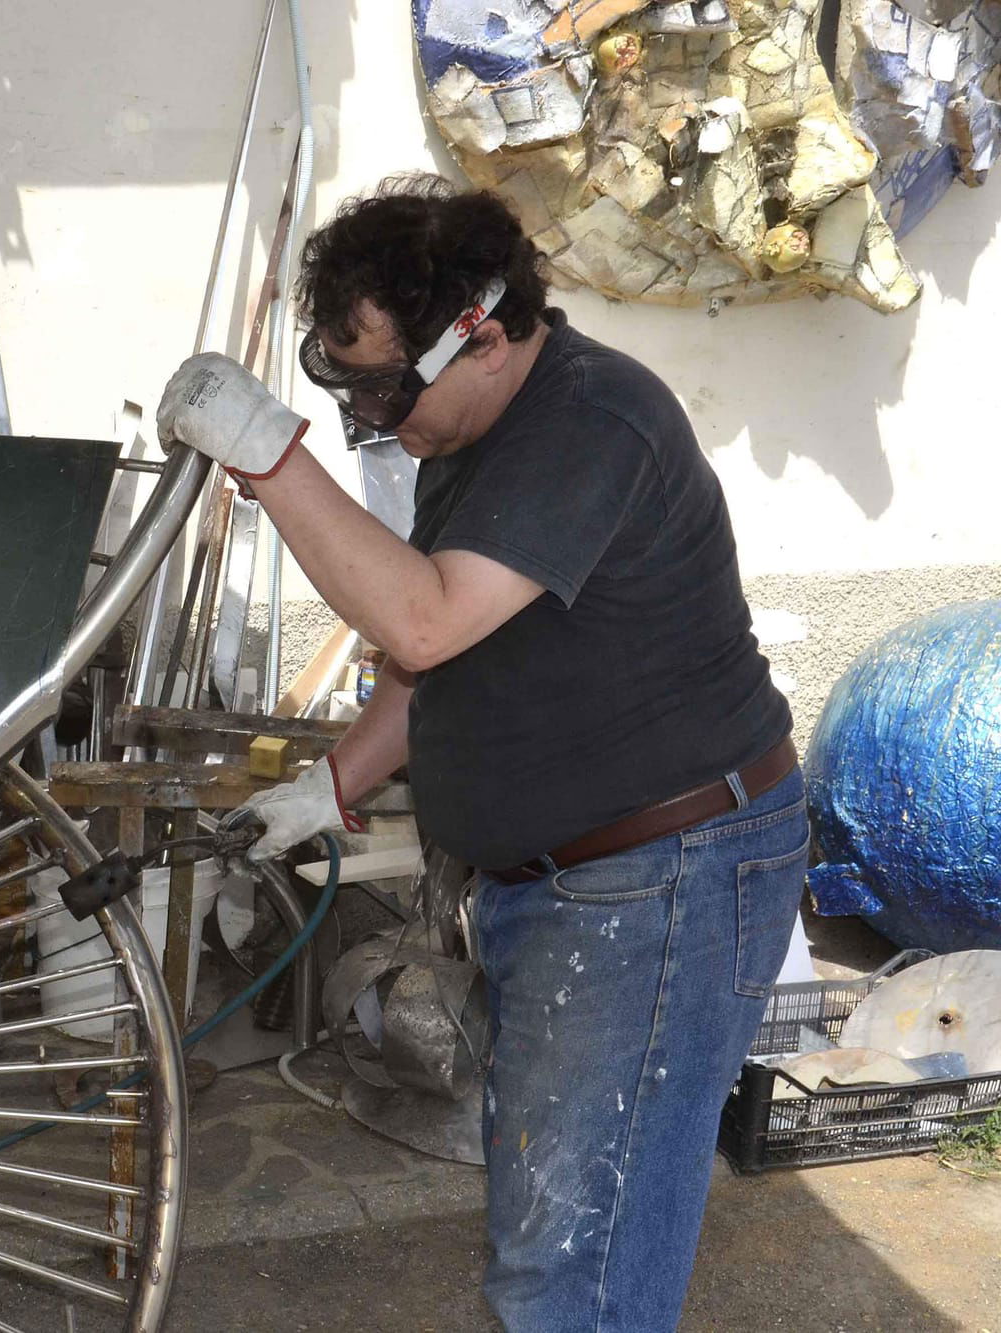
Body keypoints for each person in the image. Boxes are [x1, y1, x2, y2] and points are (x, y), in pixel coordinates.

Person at [157, 174, 803, 1332]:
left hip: (659, 885)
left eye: (382, 386)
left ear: (485, 336)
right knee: (549, 1226)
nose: (371, 416)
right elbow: (434, 659)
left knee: (574, 1265)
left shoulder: (590, 423)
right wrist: (329, 784)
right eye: (342, 385)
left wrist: (269, 456)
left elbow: (421, 618)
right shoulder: (474, 423)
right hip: (574, 879)